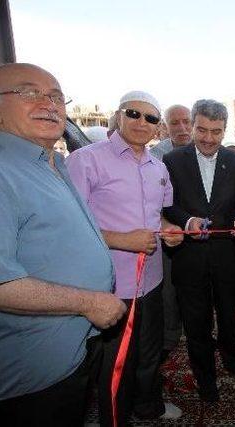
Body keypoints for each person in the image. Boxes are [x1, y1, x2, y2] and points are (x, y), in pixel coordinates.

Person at [0, 63, 126, 426]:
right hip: (30, 368)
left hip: (69, 352)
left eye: (56, 96)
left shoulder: (52, 164)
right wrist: (89, 300)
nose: (49, 104)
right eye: (29, 92)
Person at [66, 90, 184, 425]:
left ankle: (148, 406)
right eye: (133, 113)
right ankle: (113, 418)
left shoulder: (158, 166)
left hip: (152, 278)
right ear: (119, 116)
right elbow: (70, 227)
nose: (141, 122)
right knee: (115, 362)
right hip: (111, 283)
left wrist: (169, 230)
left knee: (150, 352)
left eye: (150, 118)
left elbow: (156, 218)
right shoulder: (86, 160)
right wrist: (122, 240)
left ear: (157, 127)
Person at [162, 99, 235, 402]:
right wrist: (187, 220)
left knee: (230, 319)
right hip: (189, 260)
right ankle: (206, 380)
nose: (208, 138)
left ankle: (232, 363)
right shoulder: (172, 161)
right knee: (196, 324)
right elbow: (167, 204)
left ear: (224, 130)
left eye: (216, 132)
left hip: (227, 259)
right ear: (191, 126)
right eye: (202, 130)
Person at [149, 104, 192, 357]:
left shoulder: (205, 150)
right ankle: (170, 336)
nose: (182, 128)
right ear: (165, 127)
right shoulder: (155, 156)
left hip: (197, 232)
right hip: (165, 231)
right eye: (175, 123)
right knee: (167, 289)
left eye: (187, 121)